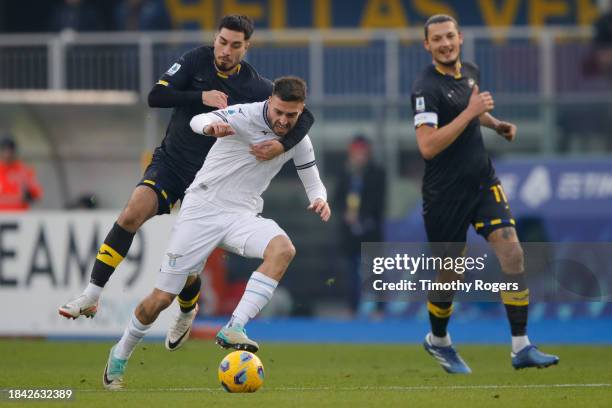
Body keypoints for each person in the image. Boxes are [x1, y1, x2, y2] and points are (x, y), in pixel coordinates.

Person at [59, 15, 315, 349]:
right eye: (222, 41)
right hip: (172, 162)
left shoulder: (256, 87)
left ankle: (186, 308)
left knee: (187, 266)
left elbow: (304, 116)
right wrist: (200, 96)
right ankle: (92, 295)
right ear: (215, 38)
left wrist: (281, 144)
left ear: (245, 48)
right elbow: (156, 96)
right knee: (131, 214)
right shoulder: (196, 60)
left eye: (235, 45)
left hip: (208, 179)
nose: (225, 50)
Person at [102, 76, 329, 390]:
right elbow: (200, 119)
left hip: (242, 215)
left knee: (283, 249)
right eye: (278, 111)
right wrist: (211, 128)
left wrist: (319, 199)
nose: (283, 120)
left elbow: (312, 177)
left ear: (301, 111)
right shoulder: (246, 115)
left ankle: (234, 327)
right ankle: (121, 352)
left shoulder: (297, 139)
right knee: (161, 298)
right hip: (202, 210)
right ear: (270, 101)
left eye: (291, 115)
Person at [410, 15, 559, 373]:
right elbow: (428, 146)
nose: (445, 43)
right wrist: (472, 112)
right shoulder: (424, 88)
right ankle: (439, 340)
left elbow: (471, 112)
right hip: (444, 194)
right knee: (451, 273)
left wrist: (495, 124)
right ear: (427, 45)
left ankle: (521, 347)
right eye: (437, 39)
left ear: (460, 38)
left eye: (450, 36)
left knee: (512, 250)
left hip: (482, 181)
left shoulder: (470, 70)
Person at [334, 135, 386, 315]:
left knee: (375, 270)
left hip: (370, 230)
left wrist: (362, 216)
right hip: (349, 232)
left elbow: (379, 202)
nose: (360, 156)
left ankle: (379, 309)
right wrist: (346, 215)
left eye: (363, 152)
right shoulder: (344, 172)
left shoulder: (377, 172)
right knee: (351, 272)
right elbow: (337, 198)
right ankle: (351, 308)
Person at [0, 136, 43, 211]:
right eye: (4, 150)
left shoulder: (24, 171)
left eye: (10, 150)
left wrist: (29, 196)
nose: (7, 153)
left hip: (19, 216)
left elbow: (37, 193)